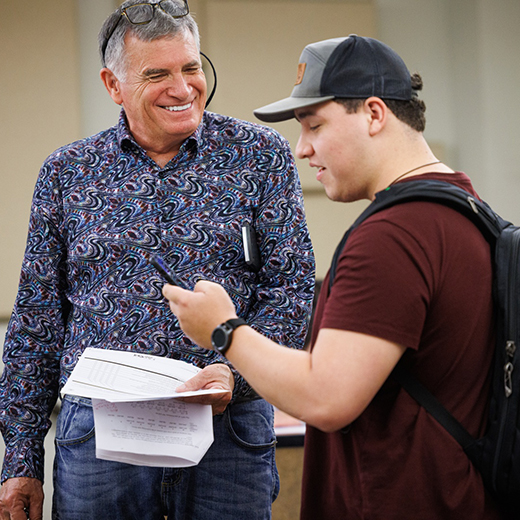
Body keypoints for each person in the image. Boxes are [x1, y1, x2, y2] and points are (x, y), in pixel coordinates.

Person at [162, 35, 507, 519]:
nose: (302, 149)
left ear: (373, 114)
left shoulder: (393, 236)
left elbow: (326, 397)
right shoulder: (466, 210)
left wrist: (223, 329)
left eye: (315, 126)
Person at [0, 2, 315, 519]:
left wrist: (236, 375)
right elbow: (36, 322)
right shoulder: (66, 173)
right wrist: (21, 459)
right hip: (100, 438)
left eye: (191, 68)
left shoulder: (261, 155)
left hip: (227, 433)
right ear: (113, 84)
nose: (183, 87)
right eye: (157, 74)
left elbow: (293, 288)